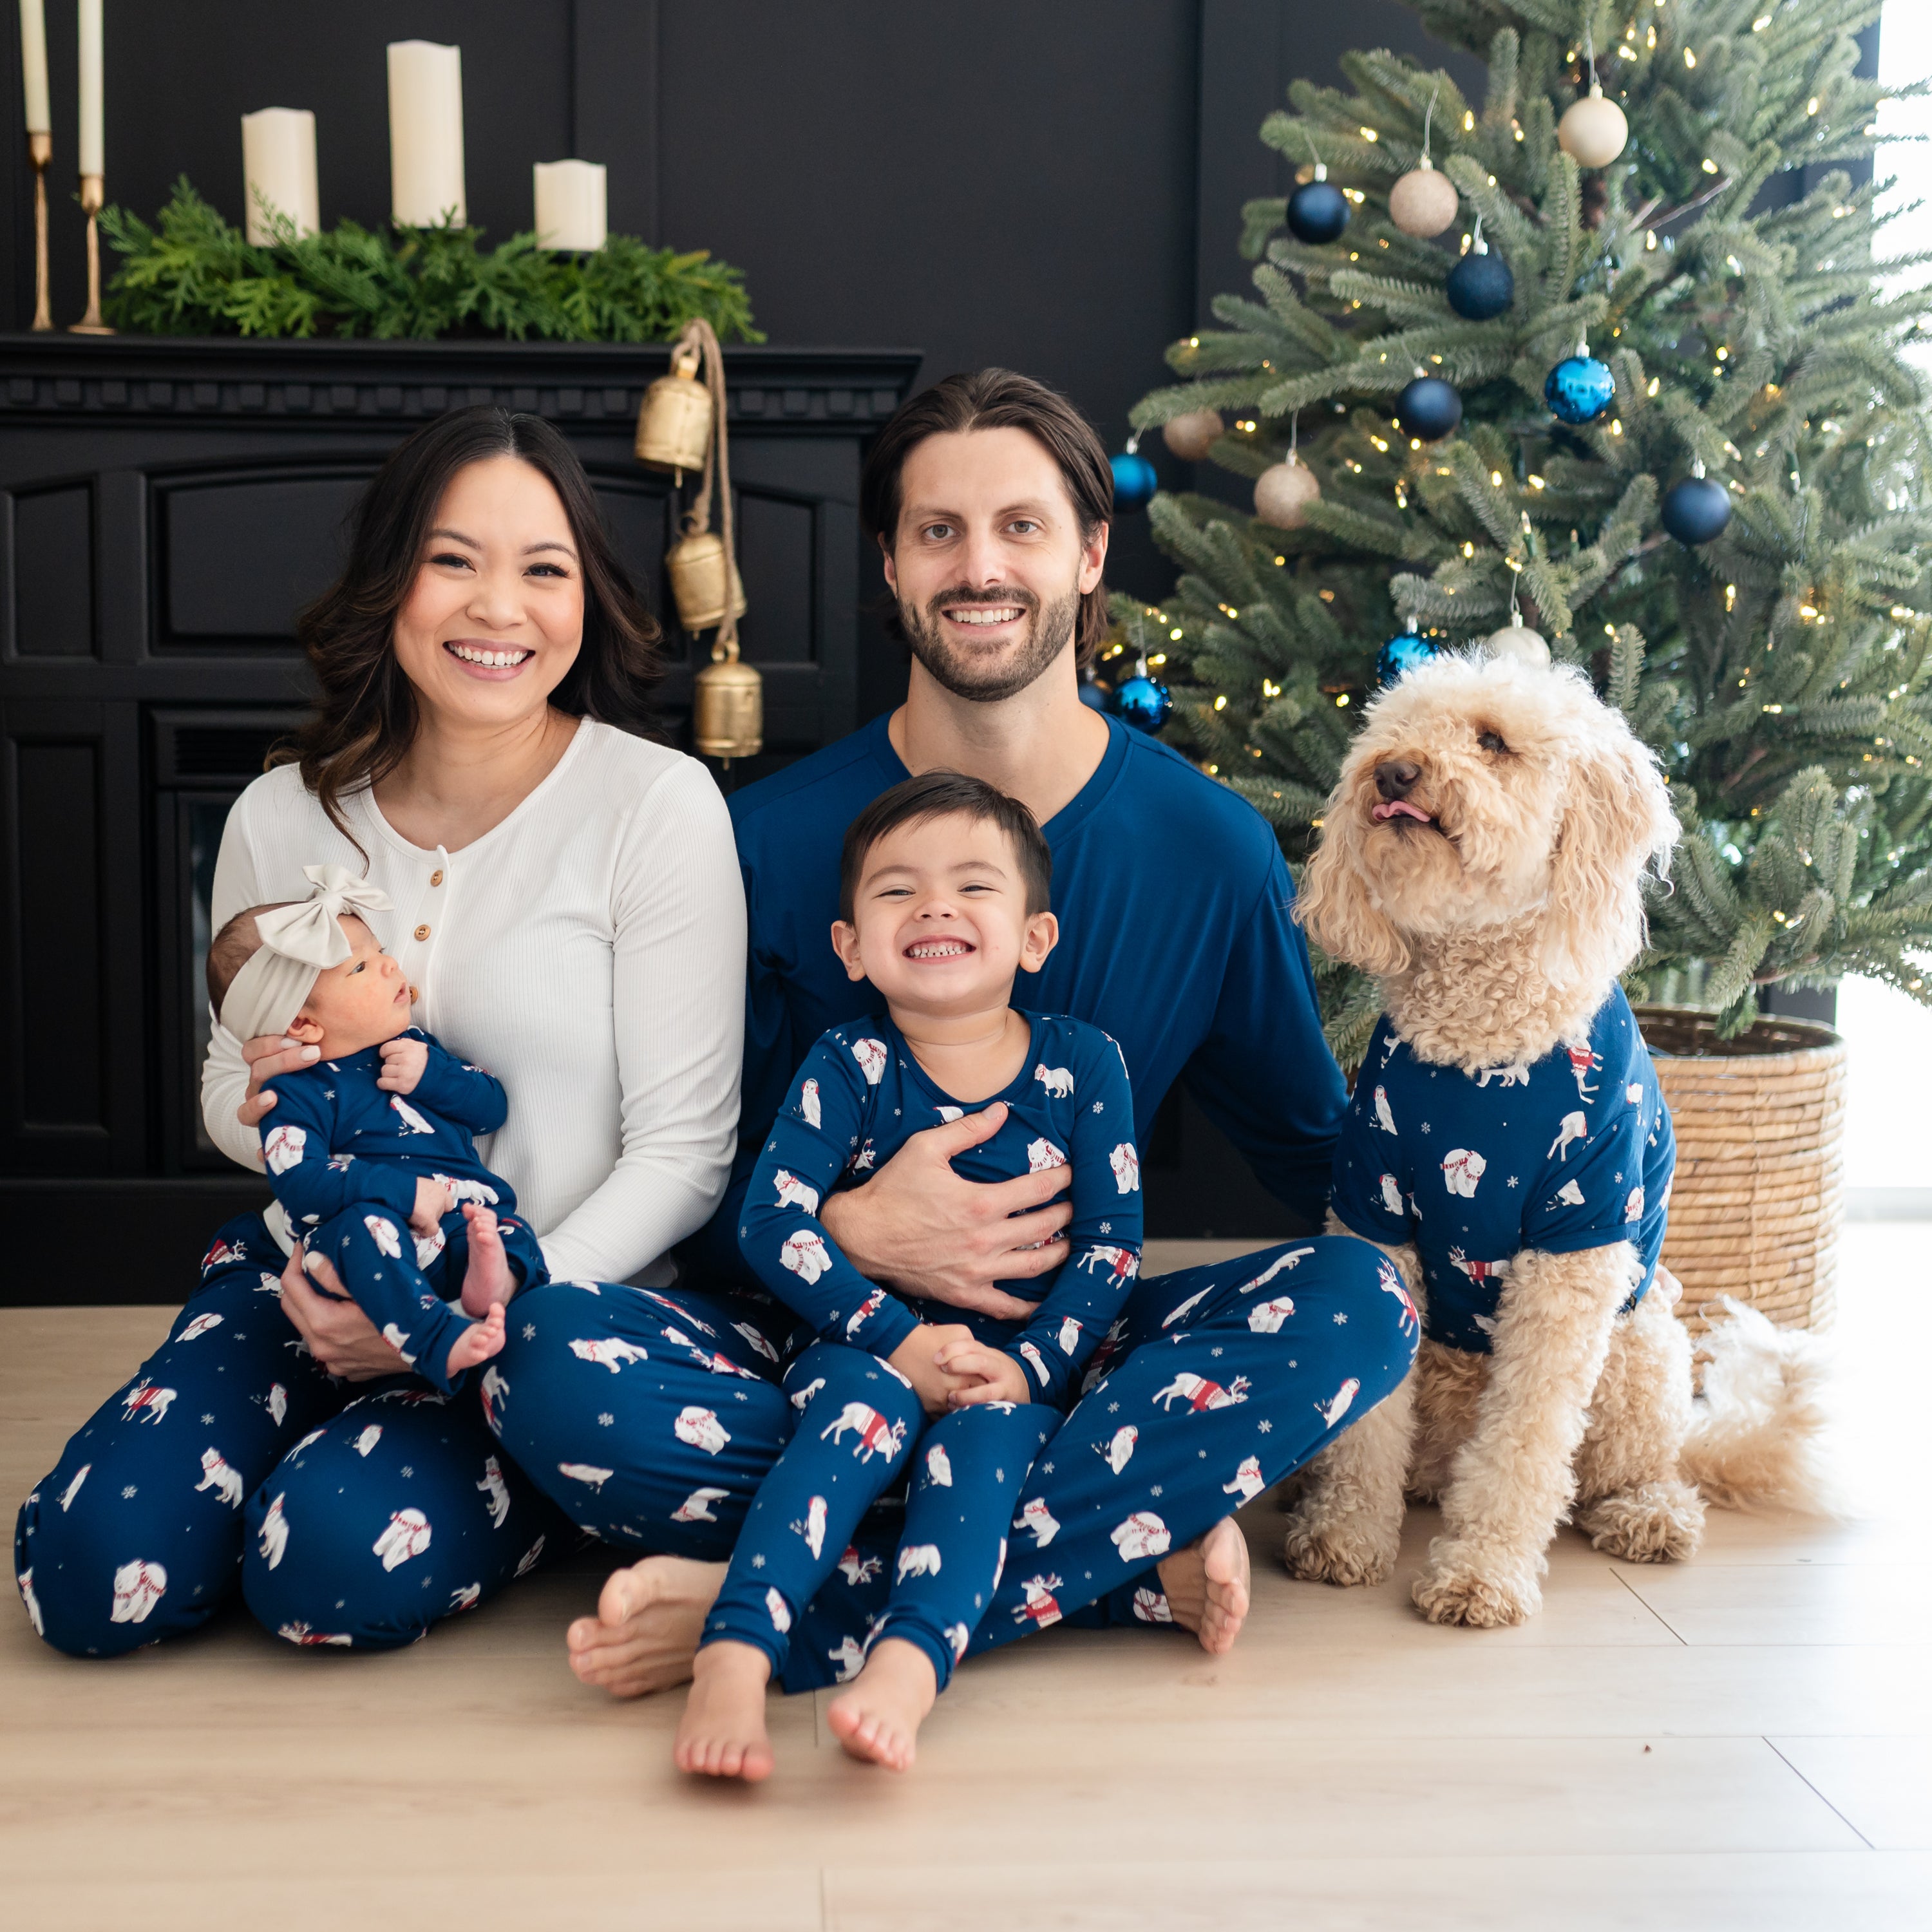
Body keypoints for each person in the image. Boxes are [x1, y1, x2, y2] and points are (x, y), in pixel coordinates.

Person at [497, 368, 1418, 1704]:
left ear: (1092, 553)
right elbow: (690, 1167)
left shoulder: (1207, 850)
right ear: (890, 562)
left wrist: (1536, 1198)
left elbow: (1313, 1156)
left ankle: (787, 1609)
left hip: (1069, 1355)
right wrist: (854, 1236)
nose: (979, 567)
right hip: (813, 1352)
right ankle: (1103, 1559)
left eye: (1021, 528)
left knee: (1363, 1302)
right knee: (549, 1362)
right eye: (939, 531)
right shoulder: (760, 841)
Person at [14, 404, 746, 1656]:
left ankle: (526, 1469)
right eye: (453, 559)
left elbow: (683, 1151)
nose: (498, 609)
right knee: (86, 1576)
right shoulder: (279, 814)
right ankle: (287, 1449)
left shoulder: (654, 807)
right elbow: (219, 1089)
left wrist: (503, 1301)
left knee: (328, 1570)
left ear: (589, 600)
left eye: (544, 569)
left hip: (546, 1311)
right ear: (391, 578)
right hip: (305, 1281)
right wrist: (266, 1117)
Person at [676, 771, 1146, 1779]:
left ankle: (907, 1661)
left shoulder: (1086, 1063)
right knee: (849, 1426)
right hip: (863, 1353)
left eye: (975, 886)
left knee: (982, 1462)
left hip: (1009, 1368)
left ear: (1035, 937)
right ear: (851, 947)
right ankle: (735, 1649)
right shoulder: (849, 1064)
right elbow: (772, 1223)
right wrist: (893, 1339)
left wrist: (1033, 1372)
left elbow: (1113, 1246)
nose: (935, 905)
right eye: (896, 891)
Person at [206, 872, 550, 1391]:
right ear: (302, 1025)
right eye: (362, 966)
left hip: (456, 1220)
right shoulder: (293, 1093)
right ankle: (435, 1338)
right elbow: (301, 1185)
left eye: (382, 950)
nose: (392, 965)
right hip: (368, 1240)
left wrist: (433, 1073)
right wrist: (403, 1193)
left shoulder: (412, 1046)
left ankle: (493, 1282)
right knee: (367, 1228)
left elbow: (491, 1110)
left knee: (507, 1228)